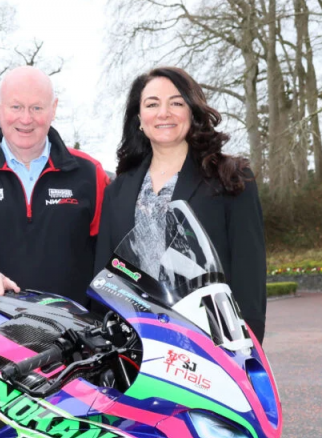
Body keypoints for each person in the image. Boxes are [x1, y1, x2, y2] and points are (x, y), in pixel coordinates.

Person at [93, 67, 267, 342]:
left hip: (211, 340)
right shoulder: (117, 191)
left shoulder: (230, 178)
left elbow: (249, 272)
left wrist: (247, 344)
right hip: (135, 343)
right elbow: (104, 277)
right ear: (139, 118)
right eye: (152, 104)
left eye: (176, 103)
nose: (164, 113)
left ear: (192, 111)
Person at [0, 67, 110, 304]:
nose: (26, 119)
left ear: (53, 109)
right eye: (16, 107)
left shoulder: (90, 172)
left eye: (37, 108)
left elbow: (109, 254)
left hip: (72, 323)